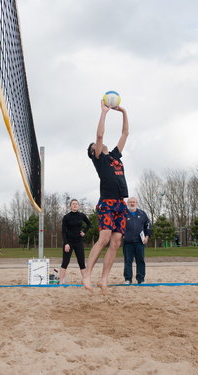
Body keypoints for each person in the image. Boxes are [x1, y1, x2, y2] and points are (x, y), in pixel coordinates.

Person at [83, 100, 129, 294]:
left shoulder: (115, 157)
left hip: (120, 204)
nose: (100, 144)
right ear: (94, 151)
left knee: (116, 242)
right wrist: (104, 113)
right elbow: (100, 135)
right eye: (96, 145)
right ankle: (87, 274)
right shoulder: (100, 159)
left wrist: (124, 112)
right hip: (107, 203)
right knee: (104, 237)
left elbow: (125, 133)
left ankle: (104, 279)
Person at [59, 199, 91, 284]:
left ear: (78, 206)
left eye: (76, 204)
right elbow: (63, 231)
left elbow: (89, 224)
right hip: (68, 242)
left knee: (81, 262)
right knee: (65, 262)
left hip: (79, 242)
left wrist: (84, 232)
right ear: (70, 206)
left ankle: (85, 281)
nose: (75, 205)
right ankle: (61, 281)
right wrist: (66, 243)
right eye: (73, 204)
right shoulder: (66, 217)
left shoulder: (82, 215)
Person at [123, 197, 152, 285]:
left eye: (134, 202)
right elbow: (119, 226)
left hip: (140, 242)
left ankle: (141, 279)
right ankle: (128, 279)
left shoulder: (142, 213)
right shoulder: (124, 214)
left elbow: (148, 226)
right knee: (128, 261)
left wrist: (147, 236)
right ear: (127, 203)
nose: (132, 203)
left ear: (137, 203)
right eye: (130, 202)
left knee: (140, 260)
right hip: (128, 242)